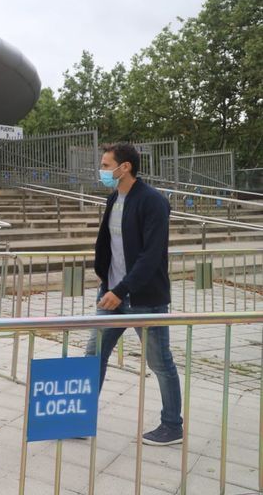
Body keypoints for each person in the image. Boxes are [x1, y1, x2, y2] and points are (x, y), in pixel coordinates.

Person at [85, 143, 183, 445]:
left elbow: (151, 256)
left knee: (159, 362)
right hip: (111, 297)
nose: (102, 171)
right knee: (92, 356)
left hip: (144, 299)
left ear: (124, 167)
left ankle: (172, 425)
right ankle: (79, 417)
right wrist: (107, 284)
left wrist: (122, 289)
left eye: (105, 165)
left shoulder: (152, 202)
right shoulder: (114, 198)